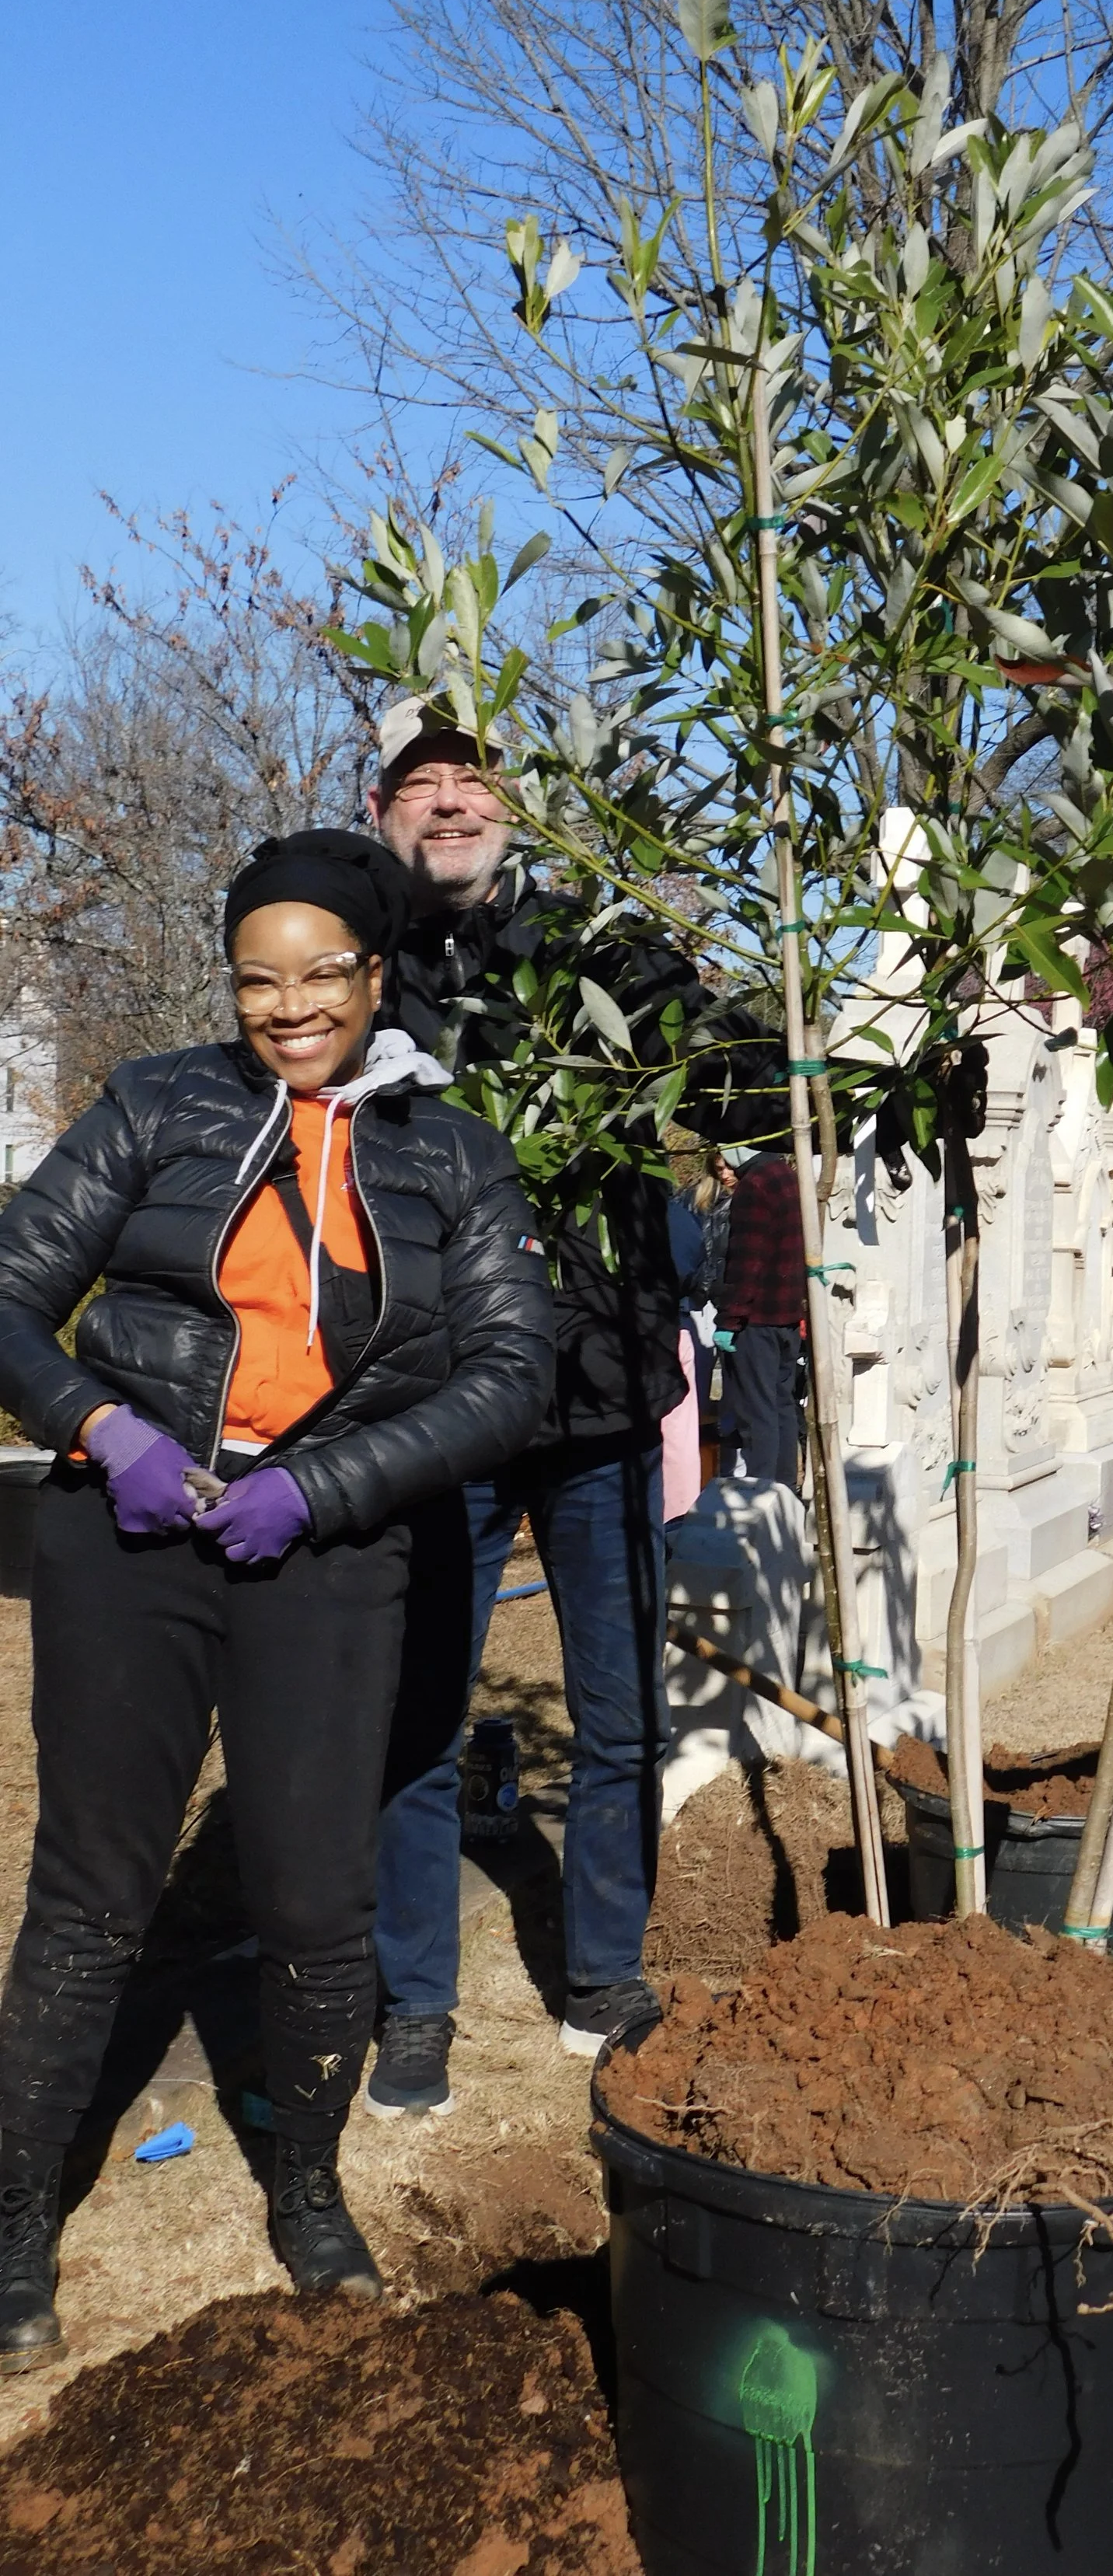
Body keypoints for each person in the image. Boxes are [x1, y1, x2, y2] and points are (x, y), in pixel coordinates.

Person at [0, 831, 554, 2366]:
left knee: (315, 1903)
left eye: (323, 972)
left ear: (378, 974)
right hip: (133, 1540)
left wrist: (321, 1484)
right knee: (90, 1896)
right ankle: (12, 2225)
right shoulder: (157, 1103)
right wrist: (98, 1426)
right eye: (259, 976)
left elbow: (514, 1371)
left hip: (326, 1552)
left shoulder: (452, 1151)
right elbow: (9, 1289)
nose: (289, 1004)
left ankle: (305, 2187)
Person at [364, 698, 780, 2114]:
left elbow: (736, 1083)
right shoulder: (359, 973)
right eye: (418, 783)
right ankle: (415, 1997)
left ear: (518, 802)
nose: (449, 801)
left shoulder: (606, 956)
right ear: (381, 815)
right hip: (428, 1410)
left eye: (470, 776)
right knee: (414, 1716)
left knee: (621, 1714)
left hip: (598, 1395)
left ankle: (605, 1971)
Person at [714, 1144, 808, 1485]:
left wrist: (729, 1320)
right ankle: (783, 1492)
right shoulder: (786, 1175)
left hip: (757, 1321)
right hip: (784, 1316)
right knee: (781, 1406)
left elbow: (746, 1260)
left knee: (758, 1413)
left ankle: (763, 1491)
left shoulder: (754, 1185)